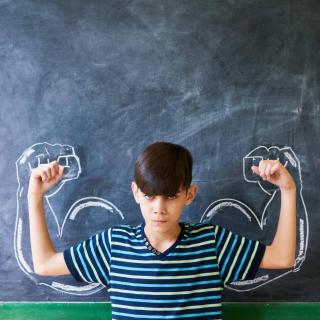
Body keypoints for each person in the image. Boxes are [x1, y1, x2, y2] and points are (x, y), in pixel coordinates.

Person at [28, 141, 297, 319]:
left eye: (170, 196)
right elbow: (44, 264)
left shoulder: (211, 244)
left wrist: (287, 189)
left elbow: (282, 257)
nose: (158, 208)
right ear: (135, 192)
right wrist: (34, 195)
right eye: (149, 196)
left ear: (189, 195)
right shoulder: (113, 246)